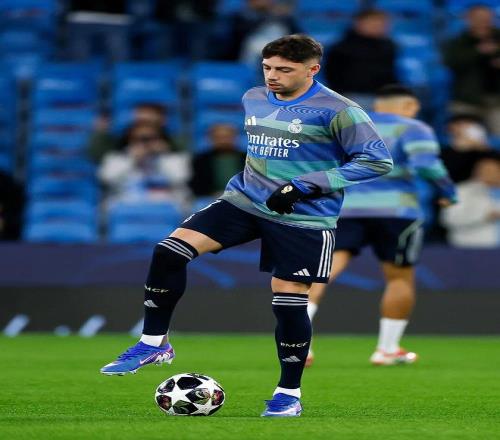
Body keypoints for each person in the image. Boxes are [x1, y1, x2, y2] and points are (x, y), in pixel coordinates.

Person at [100, 34, 393, 417]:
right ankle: (155, 343)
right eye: (267, 67)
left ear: (312, 69)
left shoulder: (339, 110)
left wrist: (308, 184)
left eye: (284, 69)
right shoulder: (253, 97)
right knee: (169, 251)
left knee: (288, 303)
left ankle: (288, 394)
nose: (272, 76)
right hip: (244, 201)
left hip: (304, 216)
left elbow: (377, 160)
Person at [306, 85, 457, 367]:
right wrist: (447, 192)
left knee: (322, 273)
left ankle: (299, 344)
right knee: (399, 278)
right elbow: (427, 165)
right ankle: (387, 349)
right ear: (410, 106)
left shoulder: (349, 127)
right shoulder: (413, 127)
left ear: (377, 105)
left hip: (346, 210)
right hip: (397, 212)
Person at [98, 121, 190, 206]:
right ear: (129, 140)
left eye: (151, 138)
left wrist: (162, 156)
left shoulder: (174, 158)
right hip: (128, 206)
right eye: (139, 139)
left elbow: (181, 179)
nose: (145, 144)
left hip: (165, 207)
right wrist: (132, 160)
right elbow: (106, 179)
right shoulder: (116, 158)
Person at [443, 5, 500, 135]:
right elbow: (451, 63)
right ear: (467, 19)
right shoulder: (458, 42)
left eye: (486, 19)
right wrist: (479, 51)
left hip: (497, 101)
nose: (482, 22)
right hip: (467, 101)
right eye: (477, 18)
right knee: (466, 140)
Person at [323, 9, 397, 109]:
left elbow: (389, 75)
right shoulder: (342, 48)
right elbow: (332, 75)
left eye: (382, 24)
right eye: (374, 23)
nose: (379, 27)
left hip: (383, 96)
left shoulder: (389, 46)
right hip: (351, 96)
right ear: (359, 24)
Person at [441, 155, 500, 248]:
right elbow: (447, 219)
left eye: (493, 170)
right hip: (470, 248)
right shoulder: (457, 190)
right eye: (484, 170)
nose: (489, 174)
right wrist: (484, 215)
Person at [189, 123, 246, 197]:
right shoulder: (200, 160)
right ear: (211, 139)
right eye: (218, 137)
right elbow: (196, 185)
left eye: (227, 137)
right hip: (210, 198)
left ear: (235, 138)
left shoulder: (248, 159)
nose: (223, 141)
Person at [441, 113, 493, 183]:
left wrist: (482, 148)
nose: (467, 128)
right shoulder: (443, 152)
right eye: (460, 124)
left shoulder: (485, 152)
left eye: (471, 124)